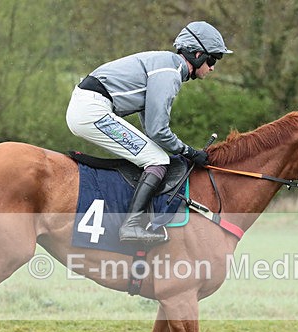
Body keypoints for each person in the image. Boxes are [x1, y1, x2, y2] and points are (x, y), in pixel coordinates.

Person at [66, 21, 232, 244]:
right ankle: (131, 226)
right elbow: (158, 130)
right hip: (91, 110)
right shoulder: (169, 72)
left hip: (88, 106)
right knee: (157, 159)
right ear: (198, 54)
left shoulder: (166, 65)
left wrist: (177, 148)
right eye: (212, 60)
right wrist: (189, 152)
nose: (212, 68)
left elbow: (152, 129)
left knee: (154, 155)